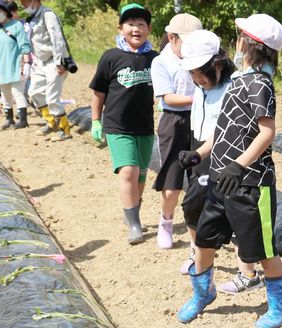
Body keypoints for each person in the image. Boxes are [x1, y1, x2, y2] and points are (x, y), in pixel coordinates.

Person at [174, 13, 282, 328]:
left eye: (239, 37)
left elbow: (267, 132)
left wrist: (240, 164)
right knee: (206, 239)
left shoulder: (260, 84)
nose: (235, 42)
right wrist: (198, 153)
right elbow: (224, 130)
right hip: (224, 180)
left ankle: (279, 306)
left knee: (262, 249)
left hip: (252, 184)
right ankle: (203, 293)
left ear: (249, 44)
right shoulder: (238, 80)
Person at [89, 2, 158, 245]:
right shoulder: (111, 57)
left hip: (145, 127)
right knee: (127, 170)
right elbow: (98, 92)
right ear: (120, 28)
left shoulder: (154, 59)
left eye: (141, 24)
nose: (136, 28)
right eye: (130, 24)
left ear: (149, 29)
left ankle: (132, 212)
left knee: (140, 177)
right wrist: (96, 121)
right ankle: (135, 224)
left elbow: (163, 88)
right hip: (117, 126)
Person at [172, 27, 239, 278]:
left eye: (202, 72)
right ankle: (195, 249)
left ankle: (247, 270)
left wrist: (199, 152)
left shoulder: (232, 88)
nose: (198, 78)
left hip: (219, 152)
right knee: (192, 205)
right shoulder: (201, 89)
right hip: (198, 146)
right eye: (193, 73)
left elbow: (222, 132)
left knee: (230, 211)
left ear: (218, 64)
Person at [150, 11, 200, 250]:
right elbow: (168, 97)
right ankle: (166, 222)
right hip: (174, 121)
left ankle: (198, 232)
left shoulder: (203, 58)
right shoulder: (161, 62)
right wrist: (197, 98)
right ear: (171, 38)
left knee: (200, 178)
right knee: (172, 184)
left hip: (199, 118)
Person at [19, 0, 71, 139]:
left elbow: (57, 39)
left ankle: (65, 130)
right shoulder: (32, 17)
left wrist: (60, 62)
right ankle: (51, 122)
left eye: (25, 3)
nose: (23, 6)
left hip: (54, 61)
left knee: (52, 96)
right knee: (34, 92)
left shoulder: (48, 15)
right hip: (40, 62)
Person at [0, 0, 29, 129]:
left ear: (5, 11)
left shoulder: (16, 26)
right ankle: (9, 118)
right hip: (1, 67)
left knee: (17, 92)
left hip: (16, 64)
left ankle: (23, 119)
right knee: (5, 94)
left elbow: (24, 46)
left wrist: (26, 63)